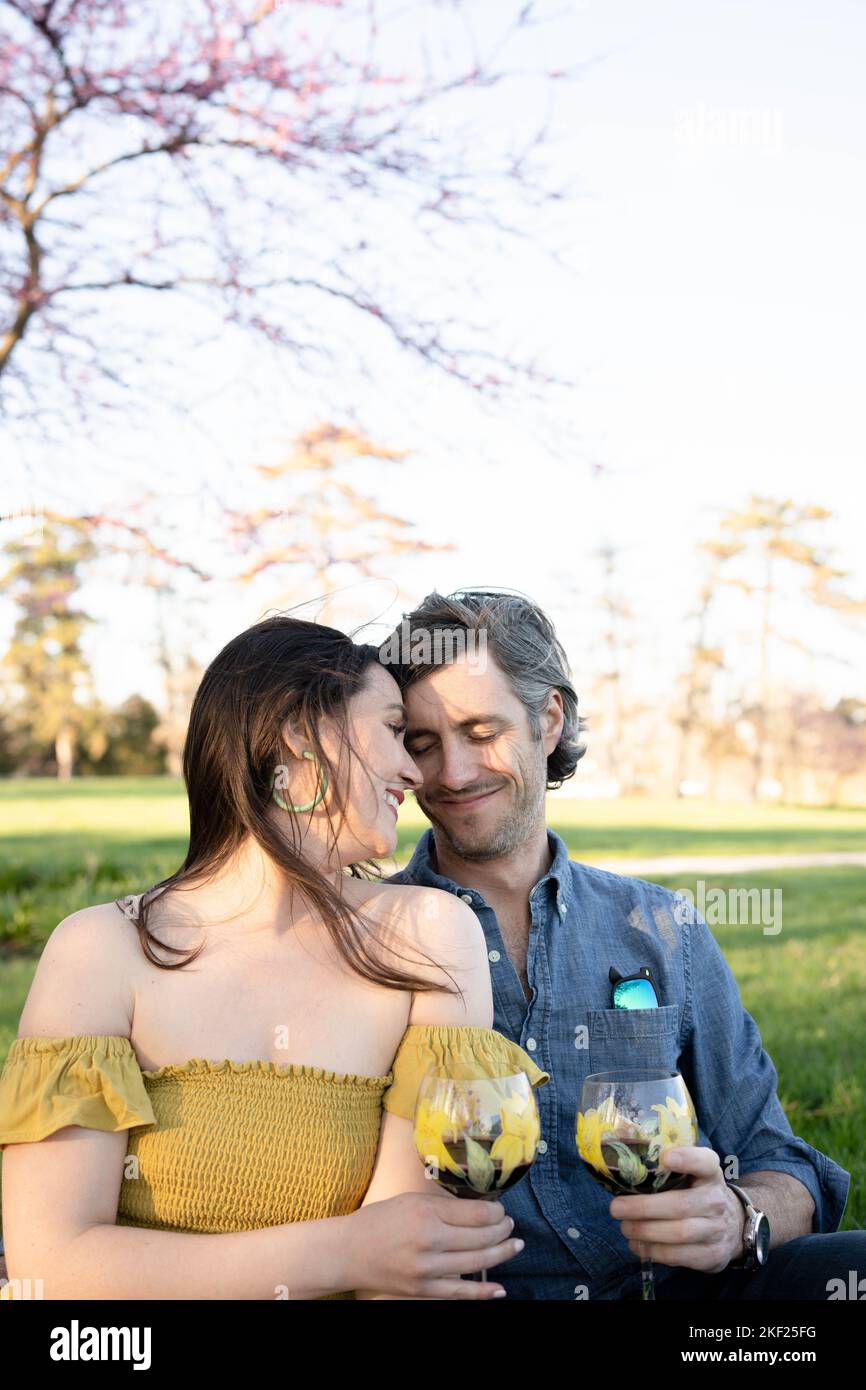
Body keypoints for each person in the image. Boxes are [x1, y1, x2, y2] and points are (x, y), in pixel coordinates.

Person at [0, 614, 549, 1301]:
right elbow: (51, 1270)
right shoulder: (103, 950)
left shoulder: (432, 937)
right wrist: (346, 1250)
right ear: (301, 734)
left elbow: (406, 1266)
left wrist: (364, 1260)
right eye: (391, 730)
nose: (414, 771)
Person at [382, 588, 863, 1300]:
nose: (452, 774)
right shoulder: (365, 934)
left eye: (481, 733)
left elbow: (781, 1163)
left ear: (549, 719)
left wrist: (737, 1217)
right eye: (423, 746)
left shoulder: (663, 928)